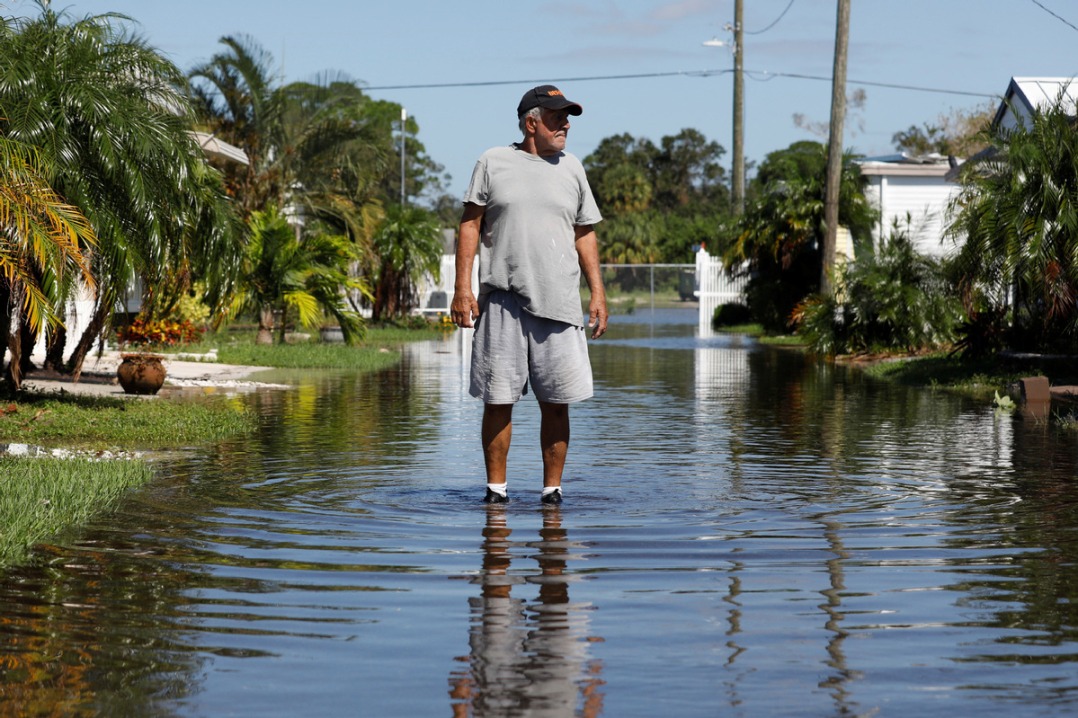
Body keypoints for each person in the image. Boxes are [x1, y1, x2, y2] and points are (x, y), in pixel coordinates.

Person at [450, 84, 608, 505]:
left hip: (559, 302)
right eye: (557, 117)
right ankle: (495, 492)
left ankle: (552, 492)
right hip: (503, 299)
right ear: (531, 122)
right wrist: (462, 289)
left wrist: (598, 293)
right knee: (498, 401)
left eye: (567, 116)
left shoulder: (572, 168)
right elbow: (470, 225)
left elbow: (585, 233)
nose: (566, 124)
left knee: (558, 402)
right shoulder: (493, 162)